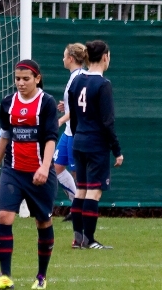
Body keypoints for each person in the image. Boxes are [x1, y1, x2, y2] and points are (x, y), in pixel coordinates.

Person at [0, 59, 58, 290]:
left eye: (26, 79)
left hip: (39, 173)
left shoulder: (46, 103)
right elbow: (5, 136)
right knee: (4, 217)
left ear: (37, 79)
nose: (21, 83)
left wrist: (45, 167)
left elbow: (50, 139)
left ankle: (41, 277)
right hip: (13, 171)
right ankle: (4, 276)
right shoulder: (8, 103)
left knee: (43, 221)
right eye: (17, 78)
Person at [68, 40, 123, 249]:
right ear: (106, 57)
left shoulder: (77, 80)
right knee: (94, 192)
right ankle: (89, 240)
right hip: (96, 145)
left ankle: (78, 239)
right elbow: (108, 122)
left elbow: (73, 116)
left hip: (79, 141)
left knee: (81, 190)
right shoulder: (103, 84)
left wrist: (77, 135)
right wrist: (116, 150)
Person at [53, 43, 86, 222]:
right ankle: (76, 206)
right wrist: (64, 107)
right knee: (57, 168)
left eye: (64, 56)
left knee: (77, 173)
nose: (63, 59)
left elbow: (79, 109)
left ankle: (81, 209)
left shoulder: (79, 77)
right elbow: (73, 105)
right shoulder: (73, 77)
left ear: (71, 59)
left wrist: (60, 119)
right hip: (68, 132)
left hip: (75, 131)